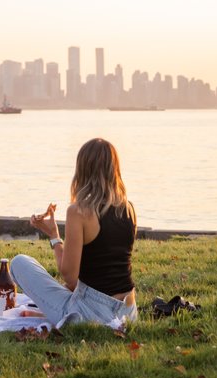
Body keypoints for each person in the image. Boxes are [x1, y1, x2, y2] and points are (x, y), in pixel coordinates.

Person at [11, 138, 137, 327]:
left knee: (19, 263)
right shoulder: (129, 209)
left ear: (82, 169)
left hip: (89, 314)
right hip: (128, 312)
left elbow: (70, 278)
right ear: (114, 169)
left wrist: (54, 237)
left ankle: (59, 314)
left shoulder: (79, 211)